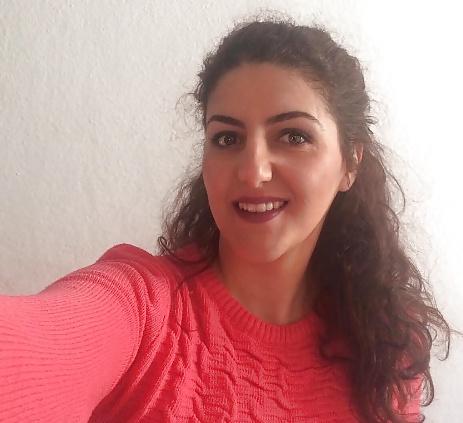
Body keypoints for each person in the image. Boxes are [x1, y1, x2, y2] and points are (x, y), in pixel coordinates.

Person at [0, 18, 454, 423]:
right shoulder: (144, 307)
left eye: (293, 136)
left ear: (350, 163)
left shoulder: (388, 343)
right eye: (227, 138)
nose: (253, 172)